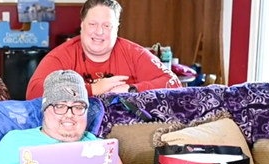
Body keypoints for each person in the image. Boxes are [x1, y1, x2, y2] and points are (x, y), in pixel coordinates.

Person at [0, 70, 129, 164]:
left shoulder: (104, 149)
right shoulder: (14, 141)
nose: (69, 115)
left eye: (78, 107)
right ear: (44, 110)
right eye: (59, 106)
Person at [26, 0, 182, 100]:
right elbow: (33, 93)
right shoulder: (61, 56)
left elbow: (174, 84)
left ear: (116, 28)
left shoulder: (135, 53)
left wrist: (131, 89)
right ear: (82, 26)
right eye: (93, 24)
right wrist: (93, 89)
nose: (99, 32)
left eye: (107, 26)